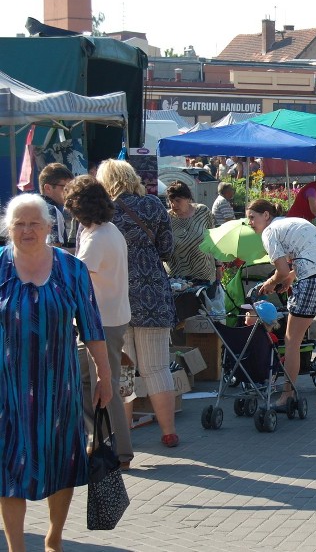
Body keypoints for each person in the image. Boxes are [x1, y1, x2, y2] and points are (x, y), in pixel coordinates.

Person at [0, 194, 112, 552]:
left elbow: (92, 324)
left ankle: (54, 537)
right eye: (19, 224)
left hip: (57, 386)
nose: (27, 230)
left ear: (50, 227)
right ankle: (16, 546)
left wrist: (104, 375)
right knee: (7, 465)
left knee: (61, 459)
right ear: (8, 229)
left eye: (34, 223)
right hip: (7, 388)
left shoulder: (70, 268)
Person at [97, 159, 180, 448]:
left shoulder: (101, 212)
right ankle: (168, 432)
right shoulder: (154, 206)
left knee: (124, 370)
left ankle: (123, 438)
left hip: (114, 294)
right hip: (151, 294)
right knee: (156, 367)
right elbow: (167, 250)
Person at [247, 199, 316, 411]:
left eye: (252, 217)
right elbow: (314, 255)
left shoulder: (270, 231)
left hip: (313, 281)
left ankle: (286, 397)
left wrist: (270, 283)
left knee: (292, 342)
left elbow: (280, 271)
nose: (251, 223)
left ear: (266, 215)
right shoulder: (295, 222)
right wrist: (291, 277)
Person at [64, 176, 134, 471]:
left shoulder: (96, 238)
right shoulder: (108, 230)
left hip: (102, 323)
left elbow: (74, 281)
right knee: (91, 382)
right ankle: (101, 440)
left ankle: (119, 452)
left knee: (106, 385)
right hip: (111, 317)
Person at [165, 181, 217, 283]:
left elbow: (214, 241)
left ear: (188, 198)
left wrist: (218, 266)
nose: (173, 205)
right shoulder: (167, 218)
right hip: (178, 278)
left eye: (178, 200)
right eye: (171, 201)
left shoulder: (202, 212)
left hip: (204, 274)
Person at [38, 162, 73, 247]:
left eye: (72, 188)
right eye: (65, 188)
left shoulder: (29, 207)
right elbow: (53, 252)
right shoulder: (52, 211)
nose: (70, 192)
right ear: (48, 188)